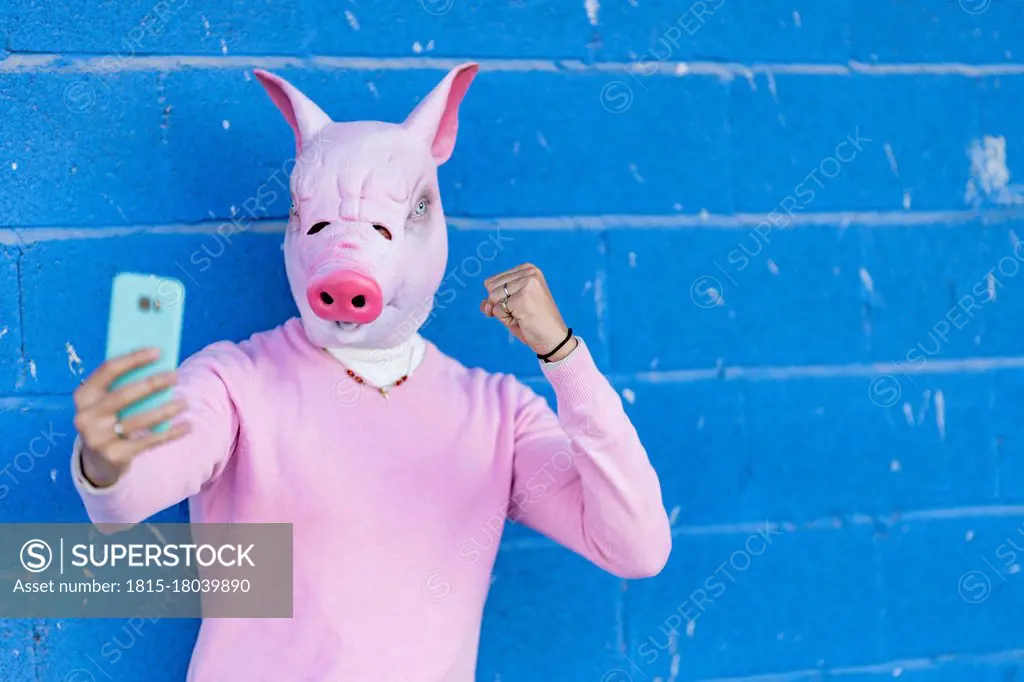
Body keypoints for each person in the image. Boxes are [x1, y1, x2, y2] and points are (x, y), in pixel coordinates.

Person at [69, 63, 672, 681]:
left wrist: (565, 358)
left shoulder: (499, 414)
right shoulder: (234, 382)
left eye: (395, 219)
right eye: (321, 222)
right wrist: (108, 459)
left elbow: (636, 546)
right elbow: (126, 500)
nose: (349, 251)